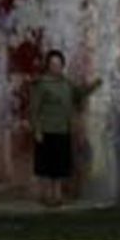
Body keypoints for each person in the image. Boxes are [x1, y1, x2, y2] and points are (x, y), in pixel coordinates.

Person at [28, 49, 100, 206]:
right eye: (53, 64)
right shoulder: (42, 84)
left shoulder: (67, 83)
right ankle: (47, 195)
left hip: (63, 129)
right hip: (46, 130)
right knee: (46, 166)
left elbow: (79, 94)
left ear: (62, 65)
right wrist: (37, 129)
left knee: (60, 165)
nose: (56, 67)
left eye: (59, 64)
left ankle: (57, 194)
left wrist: (93, 86)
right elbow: (34, 109)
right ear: (48, 66)